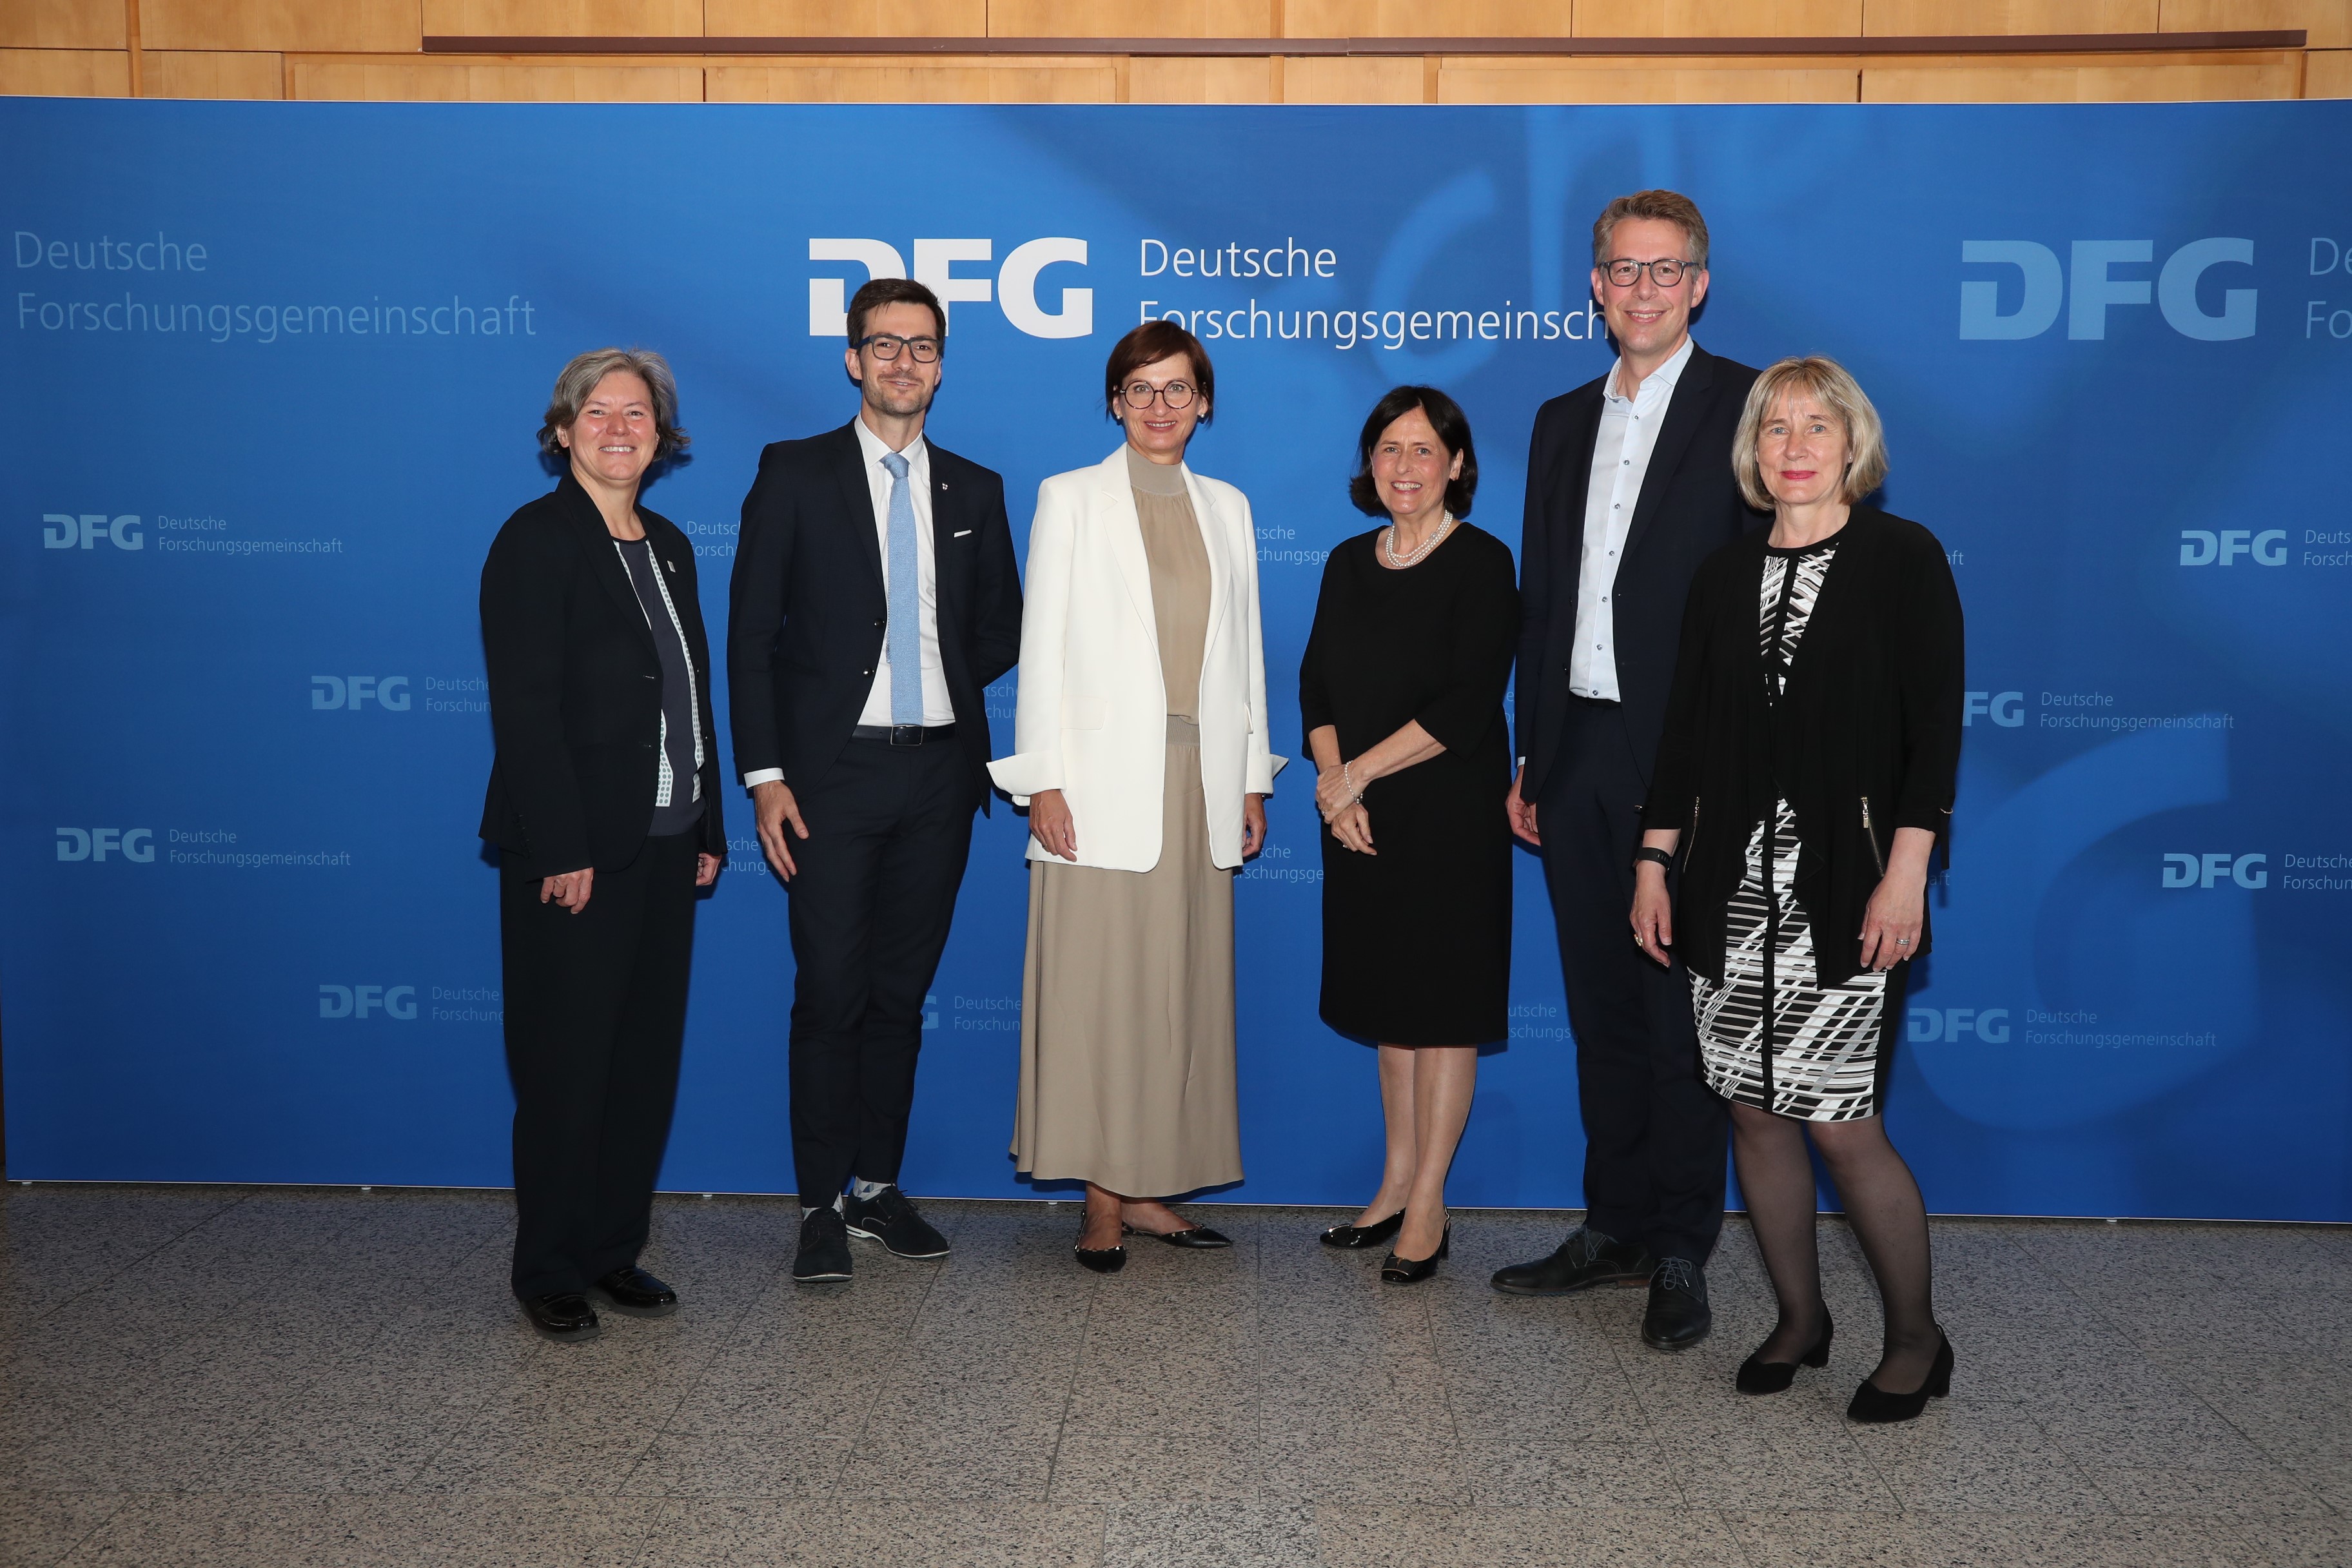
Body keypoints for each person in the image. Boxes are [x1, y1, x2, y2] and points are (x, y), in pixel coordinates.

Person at [1633, 356, 1963, 1421]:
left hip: (1847, 887)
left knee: (1839, 1122)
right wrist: (1653, 862)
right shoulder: (1722, 577)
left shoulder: (1901, 559)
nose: (1795, 444)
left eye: (1817, 425)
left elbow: (1933, 735)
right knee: (1752, 1113)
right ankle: (1800, 1320)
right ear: (1754, 451)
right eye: (1775, 427)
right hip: (1728, 889)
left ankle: (1916, 1341)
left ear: (1851, 442)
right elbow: (1683, 736)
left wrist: (1906, 872)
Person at [1494, 190, 1761, 1351]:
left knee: (1679, 1018)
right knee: (1602, 1005)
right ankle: (1611, 1224)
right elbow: (1543, 600)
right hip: (1576, 749)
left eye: (1666, 270)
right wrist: (1530, 750)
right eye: (1622, 270)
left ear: (1699, 283)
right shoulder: (1560, 420)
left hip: (1692, 763)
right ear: (1593, 285)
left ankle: (1679, 1248)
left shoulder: (1752, 408)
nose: (1643, 289)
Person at [729, 278, 1023, 1284]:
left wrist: (930, 688)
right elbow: (752, 635)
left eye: (924, 346)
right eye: (885, 345)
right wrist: (766, 774)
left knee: (901, 994)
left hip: (941, 775)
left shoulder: (976, 490)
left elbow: (999, 629)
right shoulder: (795, 473)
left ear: (943, 364)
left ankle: (875, 1191)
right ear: (853, 360)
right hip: (830, 779)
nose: (905, 362)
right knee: (832, 994)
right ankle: (817, 1203)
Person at [989, 320, 1282, 1274]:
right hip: (1099, 790)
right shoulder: (1069, 500)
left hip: (1198, 789)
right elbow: (1042, 651)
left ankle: (1151, 1187)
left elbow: (1247, 654)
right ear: (1115, 402)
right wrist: (1041, 780)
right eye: (1140, 389)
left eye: (1178, 389)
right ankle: (1102, 1201)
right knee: (1099, 999)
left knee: (1179, 998)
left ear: (1204, 403)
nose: (1160, 406)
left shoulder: (1229, 508)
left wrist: (1250, 774)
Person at [480, 348, 727, 1341]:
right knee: (565, 1066)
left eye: (638, 414)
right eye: (598, 412)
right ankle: (548, 1268)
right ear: (563, 430)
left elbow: (687, 697)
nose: (619, 428)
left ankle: (612, 1252)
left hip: (667, 845)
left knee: (640, 1067)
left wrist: (705, 822)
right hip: (577, 855)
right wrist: (563, 848)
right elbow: (527, 716)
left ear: (663, 437)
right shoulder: (534, 542)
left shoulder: (668, 544)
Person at [1300, 387, 1518, 1284]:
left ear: (1458, 466)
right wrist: (1331, 783)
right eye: (1389, 448)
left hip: (1448, 816)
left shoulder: (1483, 562)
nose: (1404, 466)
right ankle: (1392, 1185)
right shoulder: (1350, 562)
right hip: (1356, 818)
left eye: (1424, 451)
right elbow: (1316, 686)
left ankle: (1429, 1201)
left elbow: (1466, 706)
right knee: (1392, 1012)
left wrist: (1356, 773)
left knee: (1443, 1014)